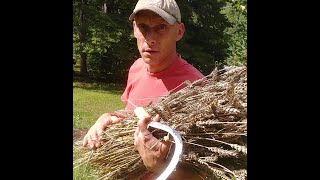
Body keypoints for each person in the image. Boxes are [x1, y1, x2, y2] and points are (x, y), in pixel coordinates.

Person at [82, 0, 204, 179]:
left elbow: (205, 172)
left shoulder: (197, 87)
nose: (150, 38)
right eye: (143, 27)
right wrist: (105, 118)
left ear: (179, 31)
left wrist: (160, 167)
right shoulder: (137, 68)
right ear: (134, 29)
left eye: (161, 27)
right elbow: (132, 114)